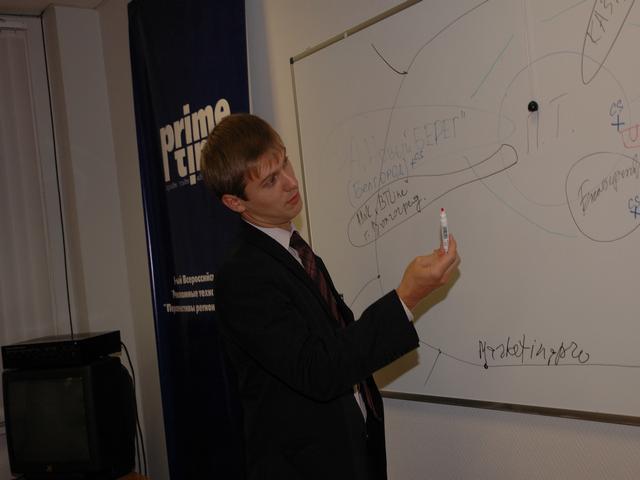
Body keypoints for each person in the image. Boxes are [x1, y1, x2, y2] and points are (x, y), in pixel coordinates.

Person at [200, 113, 459, 480]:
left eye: (285, 161)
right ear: (235, 202)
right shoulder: (242, 276)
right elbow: (318, 370)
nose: (291, 182)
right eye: (271, 181)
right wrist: (406, 297)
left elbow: (339, 340)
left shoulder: (295, 250)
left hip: (353, 452)